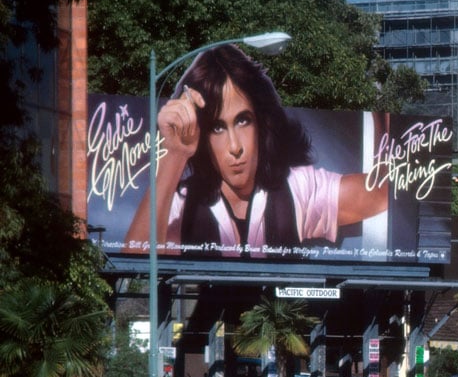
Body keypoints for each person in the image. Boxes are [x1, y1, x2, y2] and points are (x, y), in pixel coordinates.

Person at [125, 44, 389, 258]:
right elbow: (135, 258)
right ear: (203, 135)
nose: (235, 147)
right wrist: (175, 155)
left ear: (261, 123)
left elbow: (379, 194)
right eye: (217, 128)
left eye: (243, 120)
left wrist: (382, 112)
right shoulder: (184, 203)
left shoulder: (297, 187)